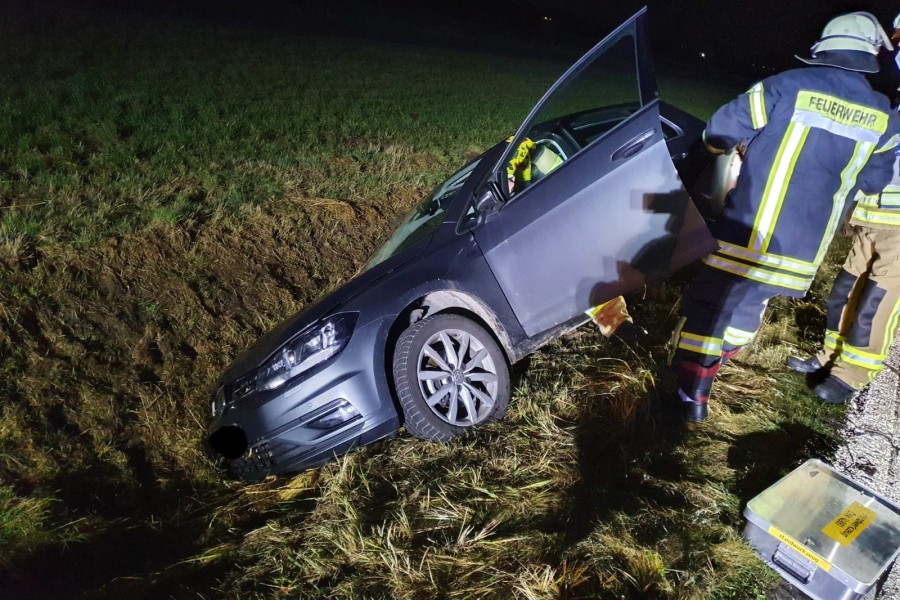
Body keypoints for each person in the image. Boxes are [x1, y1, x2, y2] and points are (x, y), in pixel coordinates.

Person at [668, 12, 900, 422]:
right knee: (747, 307)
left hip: (749, 232)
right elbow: (872, 181)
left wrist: (719, 157)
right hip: (802, 250)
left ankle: (691, 395)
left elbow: (721, 130)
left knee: (710, 305)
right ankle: (717, 363)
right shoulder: (882, 112)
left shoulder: (786, 84)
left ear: (825, 49)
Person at [786, 14, 900, 404]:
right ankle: (828, 358)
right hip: (874, 214)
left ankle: (851, 375)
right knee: (844, 291)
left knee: (878, 301)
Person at [506, 137, 648, 342]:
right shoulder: (521, 178)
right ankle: (618, 325)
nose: (509, 186)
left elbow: (523, 145)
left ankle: (618, 324)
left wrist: (509, 175)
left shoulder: (526, 154)